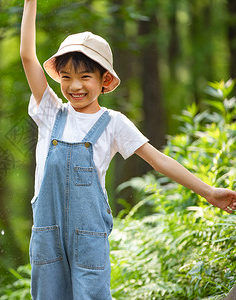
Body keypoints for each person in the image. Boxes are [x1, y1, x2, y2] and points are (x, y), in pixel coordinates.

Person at [20, 0, 236, 299]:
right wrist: (30, 4)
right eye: (66, 77)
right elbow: (27, 57)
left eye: (85, 77)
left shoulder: (113, 123)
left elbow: (157, 160)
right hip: (48, 233)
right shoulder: (50, 112)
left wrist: (209, 192)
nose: (74, 86)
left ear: (104, 80)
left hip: (89, 236)